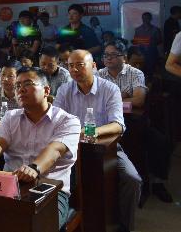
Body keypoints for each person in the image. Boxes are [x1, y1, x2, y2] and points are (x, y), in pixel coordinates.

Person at [0, 67, 80, 230]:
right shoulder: (10, 117)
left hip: (50, 191)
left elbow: (55, 149)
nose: (20, 89)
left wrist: (34, 168)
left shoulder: (67, 121)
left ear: (46, 90)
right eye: (18, 85)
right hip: (9, 186)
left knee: (38, 226)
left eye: (27, 84)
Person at [54, 50, 141, 232]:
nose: (74, 70)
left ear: (93, 66)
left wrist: (89, 131)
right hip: (71, 149)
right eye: (71, 66)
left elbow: (118, 125)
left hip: (106, 148)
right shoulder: (64, 90)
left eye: (80, 65)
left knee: (132, 179)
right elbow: (55, 122)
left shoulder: (110, 89)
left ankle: (124, 226)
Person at [98, 41, 173, 202]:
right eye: (106, 55)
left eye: (113, 55)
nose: (108, 58)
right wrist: (123, 96)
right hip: (107, 122)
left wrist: (112, 100)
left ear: (124, 57)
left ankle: (155, 184)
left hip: (134, 120)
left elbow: (138, 100)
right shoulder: (99, 74)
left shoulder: (135, 73)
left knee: (160, 143)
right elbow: (97, 102)